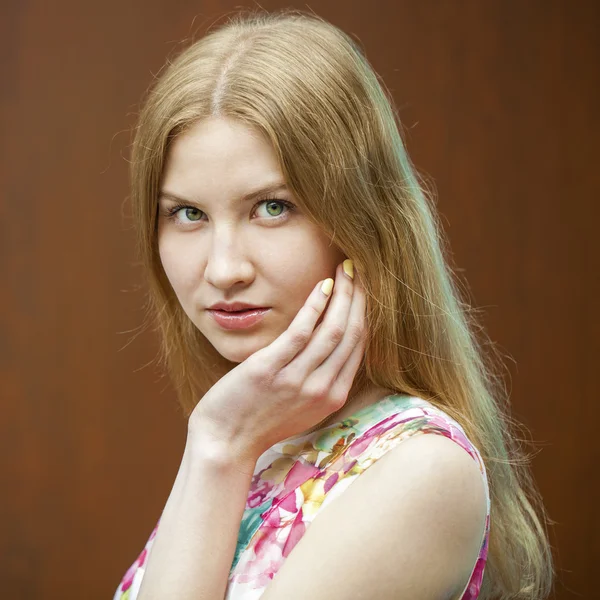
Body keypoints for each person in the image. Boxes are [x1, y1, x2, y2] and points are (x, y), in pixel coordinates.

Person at [113, 8, 554, 600]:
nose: (223, 269)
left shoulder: (422, 471)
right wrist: (220, 446)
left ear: (361, 220)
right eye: (188, 213)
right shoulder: (259, 435)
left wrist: (216, 445)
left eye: (272, 207)